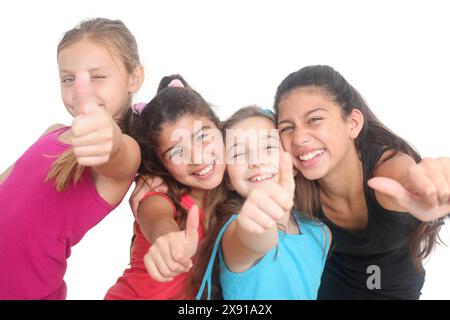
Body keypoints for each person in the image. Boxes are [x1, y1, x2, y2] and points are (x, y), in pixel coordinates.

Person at [274, 65, 450, 299]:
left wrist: (434, 191)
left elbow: (410, 178)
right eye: (287, 128)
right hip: (325, 287)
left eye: (314, 119)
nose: (298, 138)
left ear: (353, 124)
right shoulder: (291, 181)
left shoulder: (388, 170)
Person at [0, 18, 145, 299]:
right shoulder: (52, 132)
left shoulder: (123, 151)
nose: (82, 89)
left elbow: (117, 154)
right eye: (69, 78)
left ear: (133, 78)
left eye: (98, 76)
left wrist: (110, 140)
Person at [105, 76, 226, 299]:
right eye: (177, 152)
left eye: (203, 136)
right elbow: (157, 220)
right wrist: (166, 239)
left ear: (220, 127)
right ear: (162, 163)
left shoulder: (233, 183)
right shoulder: (157, 197)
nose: (197, 157)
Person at [193, 106, 331, 300]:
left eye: (268, 147)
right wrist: (257, 222)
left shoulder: (320, 233)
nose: (256, 161)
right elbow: (252, 239)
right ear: (229, 180)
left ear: (292, 163)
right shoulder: (233, 231)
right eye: (239, 154)